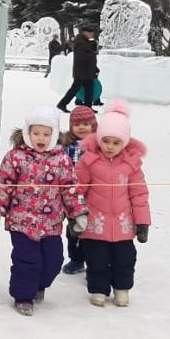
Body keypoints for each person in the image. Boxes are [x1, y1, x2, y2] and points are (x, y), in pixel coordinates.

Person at [0, 105, 87, 316]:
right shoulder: (16, 157)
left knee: (54, 260)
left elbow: (70, 189)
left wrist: (78, 213)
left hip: (51, 223)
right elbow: (3, 183)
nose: (40, 138)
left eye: (46, 134)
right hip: (21, 221)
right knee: (27, 260)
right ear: (27, 133)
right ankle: (23, 295)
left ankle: (39, 285)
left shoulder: (62, 160)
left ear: (54, 135)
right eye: (36, 133)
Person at [74, 99, 150, 307]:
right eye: (106, 141)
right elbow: (78, 190)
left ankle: (121, 288)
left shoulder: (131, 164)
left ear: (124, 143)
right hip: (95, 223)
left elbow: (139, 194)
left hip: (123, 224)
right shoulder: (88, 161)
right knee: (96, 258)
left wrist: (143, 223)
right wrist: (75, 216)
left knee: (125, 258)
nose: (110, 147)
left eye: (116, 143)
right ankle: (98, 289)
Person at [59, 105, 99, 275]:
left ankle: (94, 263)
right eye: (77, 124)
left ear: (94, 125)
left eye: (86, 124)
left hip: (93, 195)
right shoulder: (66, 145)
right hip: (71, 195)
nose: (81, 127)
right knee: (74, 229)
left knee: (92, 231)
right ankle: (76, 259)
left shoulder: (99, 144)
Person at [57, 24, 99, 112]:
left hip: (86, 71)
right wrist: (92, 54)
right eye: (90, 32)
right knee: (75, 89)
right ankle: (62, 104)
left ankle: (88, 107)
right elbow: (80, 56)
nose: (92, 34)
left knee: (88, 89)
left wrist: (95, 68)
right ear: (85, 32)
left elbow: (88, 55)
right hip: (81, 72)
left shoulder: (85, 41)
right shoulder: (80, 42)